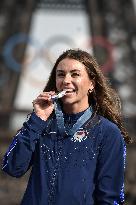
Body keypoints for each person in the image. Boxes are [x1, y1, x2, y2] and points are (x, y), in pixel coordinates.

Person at [2, 49, 131, 205]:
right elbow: (12, 167)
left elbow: (111, 198)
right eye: (61, 74)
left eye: (75, 74)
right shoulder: (40, 123)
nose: (66, 80)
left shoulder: (108, 132)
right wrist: (37, 119)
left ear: (92, 83)